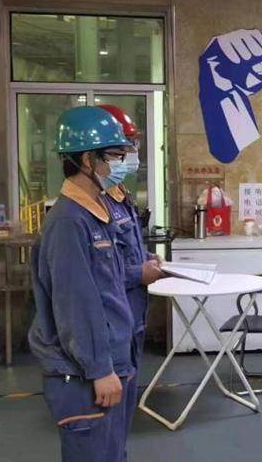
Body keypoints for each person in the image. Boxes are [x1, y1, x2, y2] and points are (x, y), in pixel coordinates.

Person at [28, 106, 137, 462]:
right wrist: (100, 369)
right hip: (84, 373)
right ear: (88, 160)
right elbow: (75, 303)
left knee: (113, 454)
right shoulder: (68, 221)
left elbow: (109, 290)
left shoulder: (96, 213)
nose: (121, 163)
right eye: (115, 155)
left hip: (111, 360)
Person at [95, 104, 165, 450]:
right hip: (111, 324)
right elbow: (96, 273)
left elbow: (122, 251)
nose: (128, 158)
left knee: (122, 419)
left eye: (131, 149)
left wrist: (146, 259)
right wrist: (140, 273)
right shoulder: (90, 209)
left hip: (132, 319)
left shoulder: (119, 197)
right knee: (106, 425)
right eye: (120, 152)